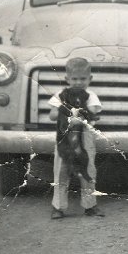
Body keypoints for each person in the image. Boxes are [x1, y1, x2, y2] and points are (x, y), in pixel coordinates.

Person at [48, 57, 104, 219]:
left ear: (90, 79)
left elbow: (93, 111)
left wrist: (79, 114)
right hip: (64, 137)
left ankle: (90, 205)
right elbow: (52, 115)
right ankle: (58, 206)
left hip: (84, 136)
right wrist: (64, 113)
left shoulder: (90, 95)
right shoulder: (60, 95)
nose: (78, 82)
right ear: (67, 79)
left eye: (82, 79)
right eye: (74, 79)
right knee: (61, 170)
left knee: (88, 169)